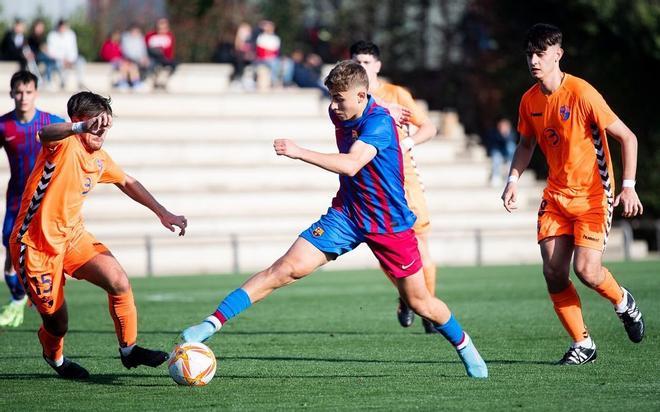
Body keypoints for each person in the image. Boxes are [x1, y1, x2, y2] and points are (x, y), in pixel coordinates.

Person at [182, 61, 488, 378]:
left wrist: (298, 151)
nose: (333, 106)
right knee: (285, 269)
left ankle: (465, 346)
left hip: (389, 224)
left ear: (360, 95)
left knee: (420, 301)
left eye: (339, 99)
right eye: (332, 98)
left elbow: (352, 164)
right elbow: (360, 110)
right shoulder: (342, 110)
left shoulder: (380, 125)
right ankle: (210, 324)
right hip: (347, 214)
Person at [9, 91, 187, 379]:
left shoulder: (99, 158)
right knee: (57, 324)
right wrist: (80, 128)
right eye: (97, 125)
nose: (103, 132)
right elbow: (44, 133)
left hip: (73, 237)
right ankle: (54, 357)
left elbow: (128, 181)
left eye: (107, 126)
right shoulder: (64, 144)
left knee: (118, 280)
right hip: (35, 246)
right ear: (79, 121)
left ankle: (129, 350)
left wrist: (162, 212)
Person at [501, 23, 645, 365]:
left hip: (594, 196)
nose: (534, 60)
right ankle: (583, 344)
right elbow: (525, 144)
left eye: (540, 53)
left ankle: (623, 302)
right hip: (556, 197)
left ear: (558, 55)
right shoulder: (529, 100)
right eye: (529, 54)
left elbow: (628, 138)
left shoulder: (582, 93)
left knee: (587, 271)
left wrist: (628, 187)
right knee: (553, 271)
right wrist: (512, 180)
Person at [350, 41, 439, 333]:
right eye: (356, 62)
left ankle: (428, 306)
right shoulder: (350, 99)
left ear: (377, 65)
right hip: (371, 182)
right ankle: (407, 297)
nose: (361, 67)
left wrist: (406, 143)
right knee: (386, 249)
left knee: (422, 245)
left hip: (405, 179)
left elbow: (428, 127)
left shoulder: (396, 94)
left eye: (365, 62)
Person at [0, 71, 64, 328]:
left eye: (28, 92)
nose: (23, 97)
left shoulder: (51, 122)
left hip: (46, 200)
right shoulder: (4, 125)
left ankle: (46, 302)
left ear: (35, 93)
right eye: (18, 92)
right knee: (9, 251)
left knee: (46, 251)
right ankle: (18, 298)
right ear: (11, 93)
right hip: (17, 199)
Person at [46, 19, 85, 89]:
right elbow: (51, 52)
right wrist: (63, 59)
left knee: (81, 61)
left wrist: (70, 60)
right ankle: (63, 82)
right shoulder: (52, 35)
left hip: (71, 59)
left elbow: (73, 49)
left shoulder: (71, 34)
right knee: (58, 64)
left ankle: (80, 82)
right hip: (57, 59)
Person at [145, 18, 177, 89]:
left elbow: (170, 51)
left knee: (172, 64)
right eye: (160, 28)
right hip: (153, 58)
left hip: (165, 59)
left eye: (164, 28)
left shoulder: (169, 37)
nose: (162, 30)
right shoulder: (150, 36)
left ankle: (162, 81)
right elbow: (146, 48)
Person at [27, 19, 60, 87]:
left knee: (50, 63)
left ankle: (48, 80)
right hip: (36, 56)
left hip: (42, 56)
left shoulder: (43, 37)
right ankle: (48, 80)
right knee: (51, 60)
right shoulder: (31, 37)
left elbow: (45, 48)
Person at [485, 118, 517, 186]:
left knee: (511, 147)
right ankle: (496, 176)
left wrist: (505, 135)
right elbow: (493, 145)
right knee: (496, 158)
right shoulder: (495, 133)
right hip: (498, 152)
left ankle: (508, 176)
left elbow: (511, 142)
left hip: (508, 154)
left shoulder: (511, 134)